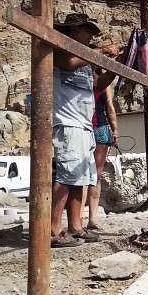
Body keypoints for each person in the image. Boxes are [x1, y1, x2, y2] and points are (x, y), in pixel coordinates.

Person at [50, 13, 118, 247]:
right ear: (71, 32)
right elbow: (68, 62)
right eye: (86, 31)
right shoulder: (58, 49)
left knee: (81, 177)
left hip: (84, 124)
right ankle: (53, 230)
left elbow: (97, 85)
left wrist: (114, 69)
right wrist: (99, 52)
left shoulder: (86, 60)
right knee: (67, 175)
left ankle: (76, 227)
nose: (90, 36)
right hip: (68, 122)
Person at [85, 65, 119, 231]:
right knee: (81, 176)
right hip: (82, 128)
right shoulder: (78, 77)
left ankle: (92, 219)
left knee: (95, 176)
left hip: (100, 129)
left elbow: (109, 107)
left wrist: (115, 130)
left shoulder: (104, 82)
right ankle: (77, 220)